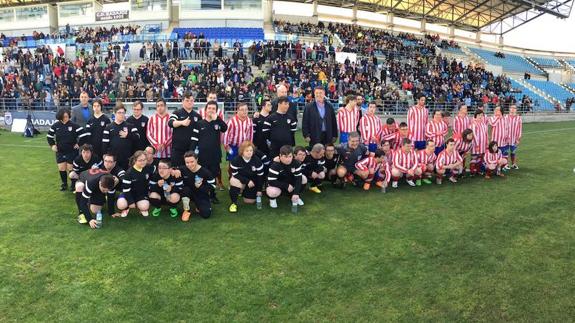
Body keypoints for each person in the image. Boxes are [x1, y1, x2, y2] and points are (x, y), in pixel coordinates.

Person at [190, 100, 228, 204]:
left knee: (213, 175)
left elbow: (225, 128)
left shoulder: (218, 123)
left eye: (213, 109)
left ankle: (212, 195)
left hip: (215, 155)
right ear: (206, 110)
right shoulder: (199, 124)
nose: (211, 110)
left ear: (216, 111)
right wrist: (191, 153)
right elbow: (194, 140)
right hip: (202, 156)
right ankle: (202, 194)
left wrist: (218, 119)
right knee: (203, 176)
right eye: (209, 108)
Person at [47, 108, 88, 191]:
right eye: (64, 116)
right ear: (60, 116)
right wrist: (52, 145)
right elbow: (49, 136)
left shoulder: (74, 125)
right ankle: (64, 184)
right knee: (61, 168)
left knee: (70, 168)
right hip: (60, 151)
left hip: (71, 151)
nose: (66, 118)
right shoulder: (56, 125)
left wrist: (79, 144)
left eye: (67, 116)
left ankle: (73, 185)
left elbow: (85, 135)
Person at [228, 141, 265, 213]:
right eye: (247, 150)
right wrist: (247, 181)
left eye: (251, 150)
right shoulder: (235, 160)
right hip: (241, 180)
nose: (249, 152)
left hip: (253, 183)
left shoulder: (257, 161)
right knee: (233, 181)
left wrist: (259, 190)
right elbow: (235, 174)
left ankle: (243, 191)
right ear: (242, 151)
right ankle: (233, 203)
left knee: (249, 201)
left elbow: (260, 177)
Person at [179, 152, 216, 221]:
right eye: (187, 162)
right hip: (188, 193)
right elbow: (172, 169)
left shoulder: (205, 172)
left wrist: (201, 187)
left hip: (201, 193)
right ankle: (187, 210)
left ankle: (199, 205)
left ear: (197, 160)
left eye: (192, 161)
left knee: (206, 214)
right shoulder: (182, 169)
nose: (189, 164)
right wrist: (175, 170)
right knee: (185, 189)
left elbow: (213, 186)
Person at [102, 103, 140, 170]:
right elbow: (105, 144)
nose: (121, 114)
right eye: (119, 113)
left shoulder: (130, 126)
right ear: (114, 113)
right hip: (113, 160)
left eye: (123, 113)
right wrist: (105, 155)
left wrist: (127, 135)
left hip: (127, 158)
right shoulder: (108, 127)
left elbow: (137, 137)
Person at [168, 92, 202, 167]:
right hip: (178, 150)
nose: (189, 102)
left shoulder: (198, 116)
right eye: (187, 100)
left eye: (191, 100)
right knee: (177, 172)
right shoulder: (177, 113)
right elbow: (170, 123)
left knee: (190, 173)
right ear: (182, 101)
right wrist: (182, 122)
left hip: (191, 150)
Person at [116, 151, 151, 218]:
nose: (143, 162)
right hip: (128, 193)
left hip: (141, 194)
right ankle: (126, 208)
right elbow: (126, 190)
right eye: (140, 160)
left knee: (145, 206)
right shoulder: (129, 173)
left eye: (144, 160)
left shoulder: (148, 168)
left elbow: (157, 170)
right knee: (121, 205)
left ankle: (140, 208)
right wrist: (130, 202)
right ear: (135, 160)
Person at [223, 102, 253, 177]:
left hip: (244, 147)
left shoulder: (249, 121)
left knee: (243, 164)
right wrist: (227, 147)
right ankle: (231, 180)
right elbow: (226, 134)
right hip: (233, 146)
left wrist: (249, 145)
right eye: (242, 110)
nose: (244, 111)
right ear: (237, 111)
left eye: (246, 109)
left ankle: (241, 180)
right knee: (232, 164)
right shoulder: (232, 121)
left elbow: (250, 134)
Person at [470, 110, 488, 176]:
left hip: (483, 145)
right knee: (474, 158)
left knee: (480, 159)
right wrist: (477, 145)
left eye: (481, 115)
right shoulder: (473, 124)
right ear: (476, 116)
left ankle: (478, 170)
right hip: (475, 145)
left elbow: (486, 134)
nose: (480, 116)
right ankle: (472, 172)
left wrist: (487, 142)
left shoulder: (484, 124)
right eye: (479, 115)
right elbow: (474, 135)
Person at [506, 105, 523, 169]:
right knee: (506, 152)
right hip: (506, 138)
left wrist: (518, 138)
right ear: (509, 109)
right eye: (512, 108)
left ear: (516, 109)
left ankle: (513, 164)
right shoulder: (506, 117)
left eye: (514, 108)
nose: (513, 109)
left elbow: (519, 128)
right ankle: (506, 164)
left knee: (513, 152)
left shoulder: (518, 118)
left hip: (514, 138)